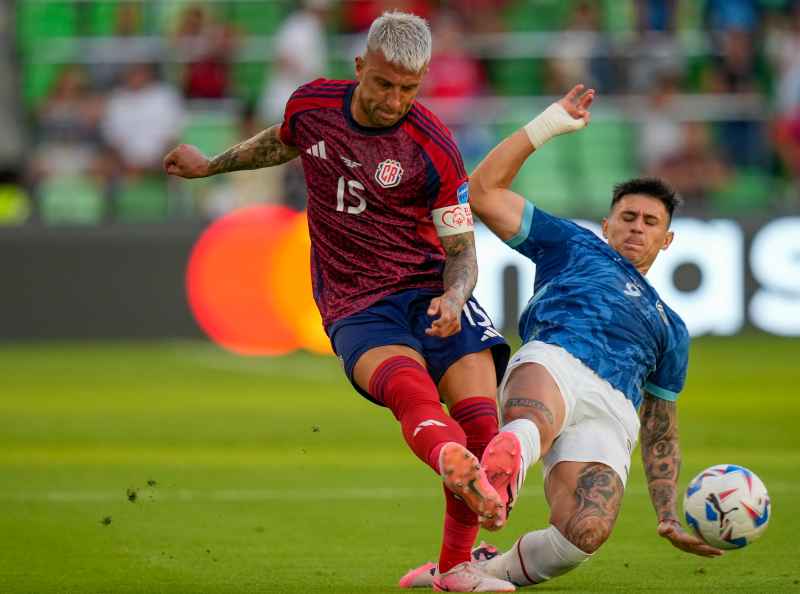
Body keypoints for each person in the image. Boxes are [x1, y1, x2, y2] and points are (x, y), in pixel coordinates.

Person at [163, 11, 515, 592]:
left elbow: (461, 249)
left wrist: (455, 296)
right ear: (360, 68)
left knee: (481, 423)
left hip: (430, 291)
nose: (393, 99)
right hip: (357, 302)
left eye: (408, 87)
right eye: (383, 84)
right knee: (413, 395)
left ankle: (454, 567)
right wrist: (210, 166)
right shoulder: (313, 106)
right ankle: (451, 482)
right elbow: (276, 146)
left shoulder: (434, 145)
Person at [401, 85, 723, 589]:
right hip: (556, 357)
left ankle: (475, 567)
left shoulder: (671, 327)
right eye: (628, 217)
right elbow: (483, 192)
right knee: (532, 418)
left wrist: (665, 513)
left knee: (585, 533)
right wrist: (546, 126)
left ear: (668, 239)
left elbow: (660, 426)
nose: (637, 228)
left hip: (614, 406)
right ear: (607, 223)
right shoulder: (574, 244)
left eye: (650, 222)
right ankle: (505, 466)